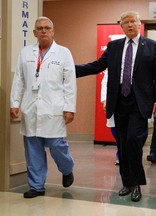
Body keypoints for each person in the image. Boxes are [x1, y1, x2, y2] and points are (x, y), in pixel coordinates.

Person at [75, 11, 156, 202]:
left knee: (134, 140)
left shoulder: (151, 46)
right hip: (119, 102)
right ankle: (126, 182)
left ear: (139, 24)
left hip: (139, 103)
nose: (130, 25)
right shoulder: (114, 46)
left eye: (133, 21)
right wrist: (71, 69)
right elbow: (98, 65)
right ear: (122, 26)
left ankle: (137, 184)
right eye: (126, 22)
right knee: (122, 144)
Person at [10, 17, 76, 198]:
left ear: (53, 31)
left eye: (47, 28)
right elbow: (19, 80)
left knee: (57, 145)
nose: (44, 31)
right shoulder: (25, 53)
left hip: (54, 108)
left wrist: (70, 108)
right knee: (33, 149)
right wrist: (15, 103)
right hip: (31, 108)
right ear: (34, 32)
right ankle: (37, 186)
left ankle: (67, 168)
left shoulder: (63, 53)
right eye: (40, 28)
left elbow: (69, 83)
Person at [100, 70, 120, 165]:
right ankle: (121, 151)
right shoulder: (112, 61)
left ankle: (122, 154)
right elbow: (104, 82)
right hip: (113, 99)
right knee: (115, 130)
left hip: (129, 98)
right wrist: (104, 99)